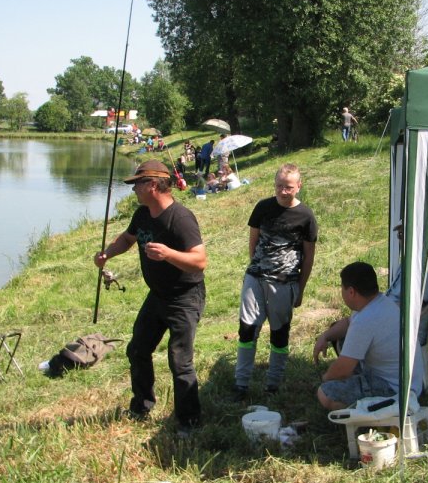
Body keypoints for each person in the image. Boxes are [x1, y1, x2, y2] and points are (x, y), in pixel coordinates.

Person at [93, 160, 207, 435]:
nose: (133, 189)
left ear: (153, 185)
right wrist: (108, 253)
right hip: (157, 296)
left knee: (180, 361)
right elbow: (127, 239)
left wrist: (169, 254)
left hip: (184, 297)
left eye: (137, 184)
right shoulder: (143, 213)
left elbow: (200, 261)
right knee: (137, 349)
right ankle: (142, 405)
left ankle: (189, 421)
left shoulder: (180, 218)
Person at [233, 163, 318, 399]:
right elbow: (253, 241)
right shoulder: (262, 207)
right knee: (247, 329)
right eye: (279, 186)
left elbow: (309, 256)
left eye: (288, 187)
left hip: (284, 282)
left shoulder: (306, 216)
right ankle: (241, 384)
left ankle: (273, 384)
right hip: (256, 278)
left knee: (279, 332)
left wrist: (300, 289)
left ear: (298, 186)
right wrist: (256, 268)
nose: (283, 191)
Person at [313, 261, 423, 411]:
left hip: (395, 390)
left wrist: (325, 379)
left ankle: (368, 414)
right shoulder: (381, 302)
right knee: (339, 334)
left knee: (326, 393)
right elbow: (346, 323)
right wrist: (325, 336)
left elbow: (343, 369)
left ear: (351, 292)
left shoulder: (366, 320)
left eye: (342, 288)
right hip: (408, 381)